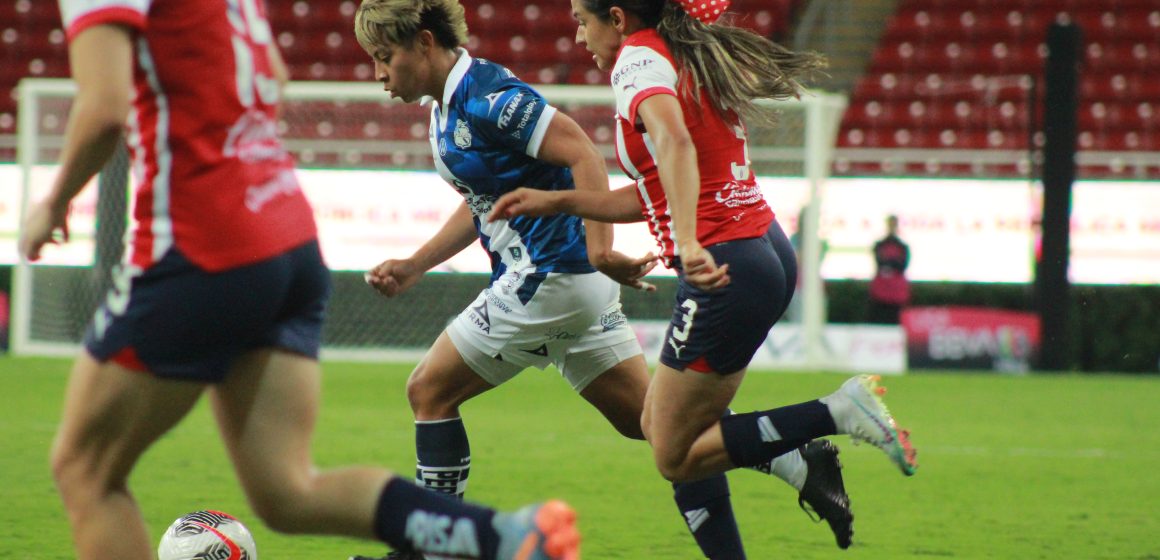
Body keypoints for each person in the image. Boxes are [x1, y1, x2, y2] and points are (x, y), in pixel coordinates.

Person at [18, 2, 578, 559]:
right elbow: (273, 76)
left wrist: (54, 202)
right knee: (286, 491)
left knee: (85, 469)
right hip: (286, 235)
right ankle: (503, 538)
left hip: (200, 239)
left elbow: (104, 107)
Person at [349, 1, 854, 558]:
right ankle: (792, 458)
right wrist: (417, 263)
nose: (378, 75)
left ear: (423, 43)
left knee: (428, 390)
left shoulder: (488, 96)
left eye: (383, 57)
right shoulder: (445, 108)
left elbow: (581, 152)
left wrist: (600, 248)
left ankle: (428, 546)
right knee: (659, 427)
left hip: (550, 277)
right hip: (567, 283)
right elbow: (485, 203)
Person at [490, 0, 920, 556]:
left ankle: (836, 412)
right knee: (663, 423)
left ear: (617, 18)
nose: (577, 36)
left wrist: (688, 241)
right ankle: (798, 459)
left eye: (581, 19)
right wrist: (560, 201)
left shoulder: (637, 59)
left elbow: (673, 143)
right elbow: (658, 187)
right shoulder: (679, 53)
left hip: (726, 265)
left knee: (673, 451)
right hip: (760, 252)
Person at [868, 214, 911, 324]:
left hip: (897, 292)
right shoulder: (879, 245)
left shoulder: (903, 247)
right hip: (880, 291)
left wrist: (889, 265)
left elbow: (902, 266)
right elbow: (879, 263)